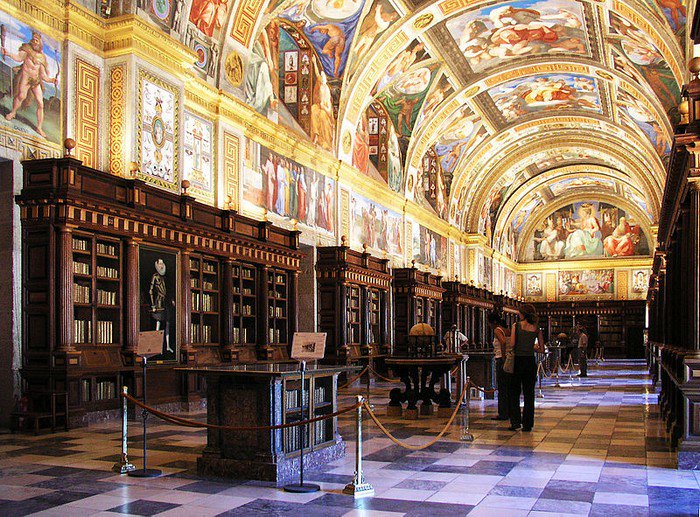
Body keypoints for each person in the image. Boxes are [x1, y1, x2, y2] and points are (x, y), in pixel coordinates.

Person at [508, 304, 545, 432]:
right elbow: (541, 349)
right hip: (530, 362)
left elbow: (512, 344)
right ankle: (528, 424)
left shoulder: (516, 326)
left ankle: (515, 422)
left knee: (514, 393)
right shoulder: (536, 328)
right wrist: (532, 347)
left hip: (518, 361)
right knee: (529, 394)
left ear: (522, 313)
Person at [488, 311, 510, 421]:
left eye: (489, 323)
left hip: (501, 359)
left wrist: (503, 356)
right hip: (507, 359)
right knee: (507, 387)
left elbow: (503, 341)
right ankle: (508, 411)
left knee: (502, 387)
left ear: (493, 322)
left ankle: (503, 413)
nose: (489, 325)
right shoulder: (507, 329)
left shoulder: (497, 330)